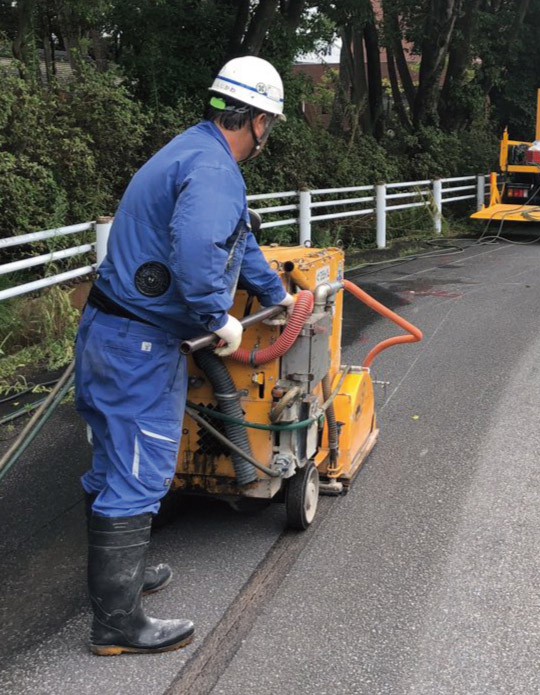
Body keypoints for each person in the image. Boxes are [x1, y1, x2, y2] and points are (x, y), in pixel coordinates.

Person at [75, 56, 294, 656]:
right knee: (140, 471)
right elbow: (201, 249)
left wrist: (276, 296)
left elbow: (235, 240)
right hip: (138, 345)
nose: (264, 136)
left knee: (110, 462)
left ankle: (118, 576)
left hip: (106, 330)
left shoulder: (187, 151)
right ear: (254, 121)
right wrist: (215, 317)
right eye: (267, 123)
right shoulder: (217, 172)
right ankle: (115, 625)